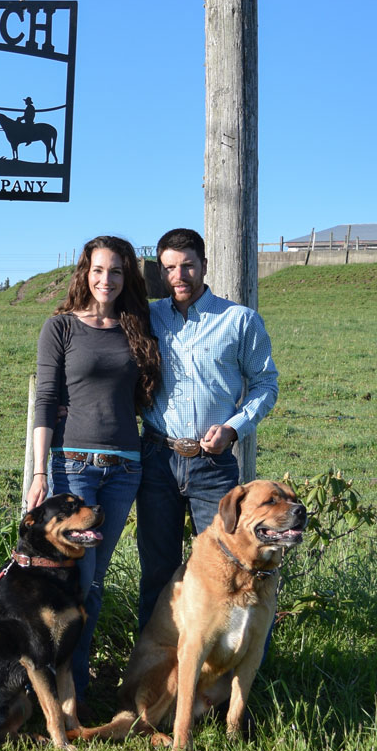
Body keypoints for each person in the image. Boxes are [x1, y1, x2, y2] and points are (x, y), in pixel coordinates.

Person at [26, 235, 160, 710]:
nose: (107, 280)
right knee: (75, 582)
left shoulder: (136, 326)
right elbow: (44, 399)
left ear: (128, 279)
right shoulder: (60, 327)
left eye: (117, 272)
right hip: (73, 468)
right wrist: (39, 472)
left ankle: (72, 690)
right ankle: (68, 696)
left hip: (125, 469)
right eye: (99, 270)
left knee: (93, 584)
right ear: (84, 272)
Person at [136, 228, 279, 632]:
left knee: (229, 567)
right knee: (157, 572)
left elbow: (266, 384)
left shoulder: (239, 320)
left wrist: (234, 430)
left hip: (213, 465)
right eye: (168, 268)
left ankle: (228, 676)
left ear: (203, 265)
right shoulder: (149, 318)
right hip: (158, 458)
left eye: (186, 266)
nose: (178, 276)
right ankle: (155, 676)